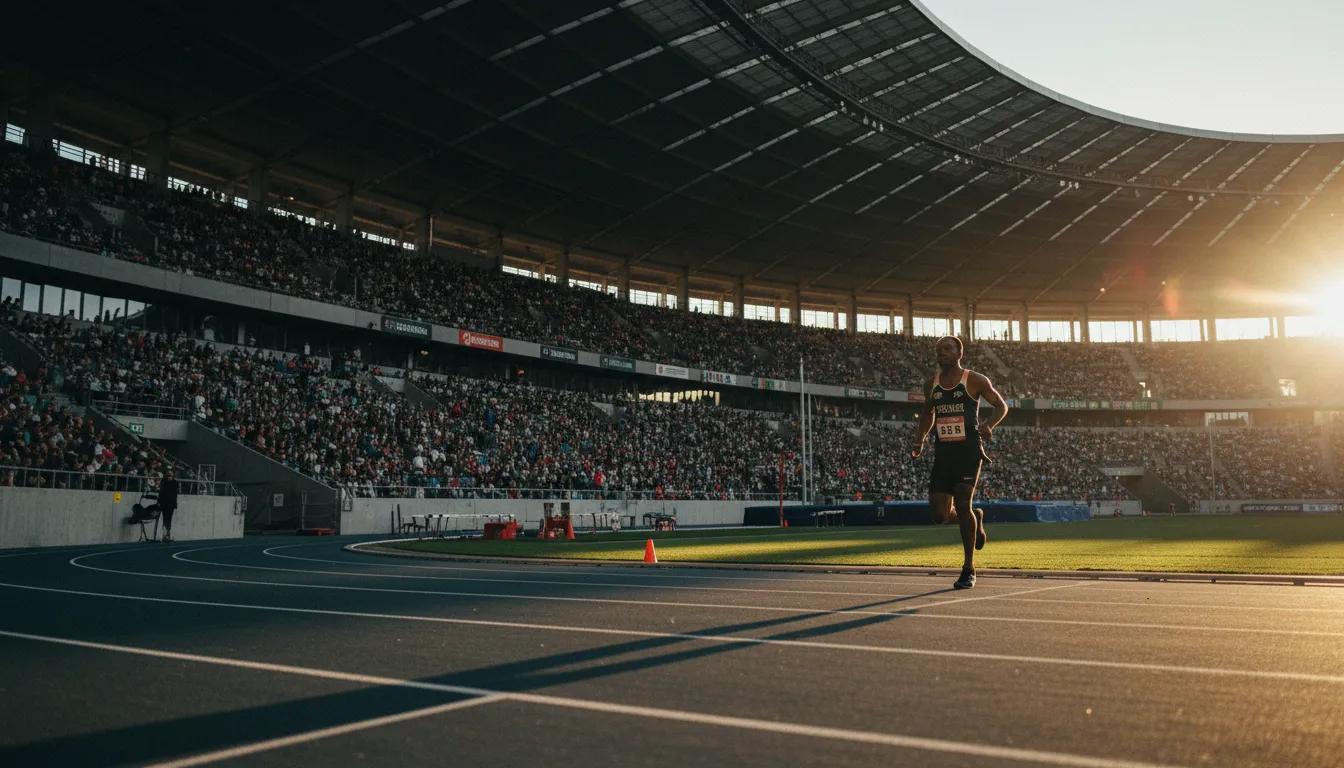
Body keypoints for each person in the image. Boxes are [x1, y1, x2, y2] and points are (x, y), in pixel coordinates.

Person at [911, 336, 1008, 589]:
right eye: (938, 350)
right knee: (939, 515)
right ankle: (976, 517)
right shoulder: (930, 384)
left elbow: (1001, 406)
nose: (941, 353)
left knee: (963, 501)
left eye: (947, 349)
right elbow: (927, 414)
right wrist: (920, 439)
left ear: (958, 353)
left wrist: (989, 425)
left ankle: (968, 568)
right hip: (944, 454)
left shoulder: (974, 380)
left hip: (968, 451)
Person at [159, 470, 179, 542]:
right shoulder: (164, 482)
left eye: (171, 476)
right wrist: (159, 502)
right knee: (165, 518)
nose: (169, 477)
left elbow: (175, 493)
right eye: (168, 476)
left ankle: (168, 533)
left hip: (170, 504)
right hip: (164, 503)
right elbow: (161, 492)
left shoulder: (175, 483)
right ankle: (165, 534)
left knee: (169, 518)